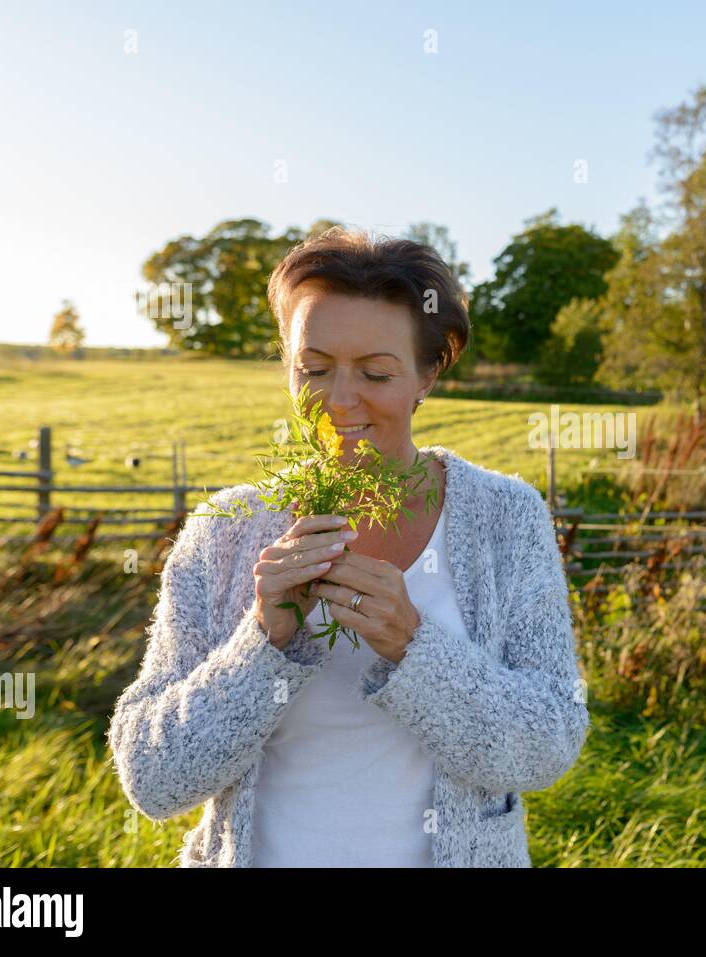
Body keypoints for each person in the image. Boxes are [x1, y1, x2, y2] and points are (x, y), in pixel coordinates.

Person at [107, 227, 590, 866]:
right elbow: (155, 780)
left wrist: (413, 648)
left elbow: (548, 744)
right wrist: (263, 641)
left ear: (428, 375)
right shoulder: (225, 531)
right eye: (314, 368)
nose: (339, 399)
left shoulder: (505, 519)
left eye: (376, 372)